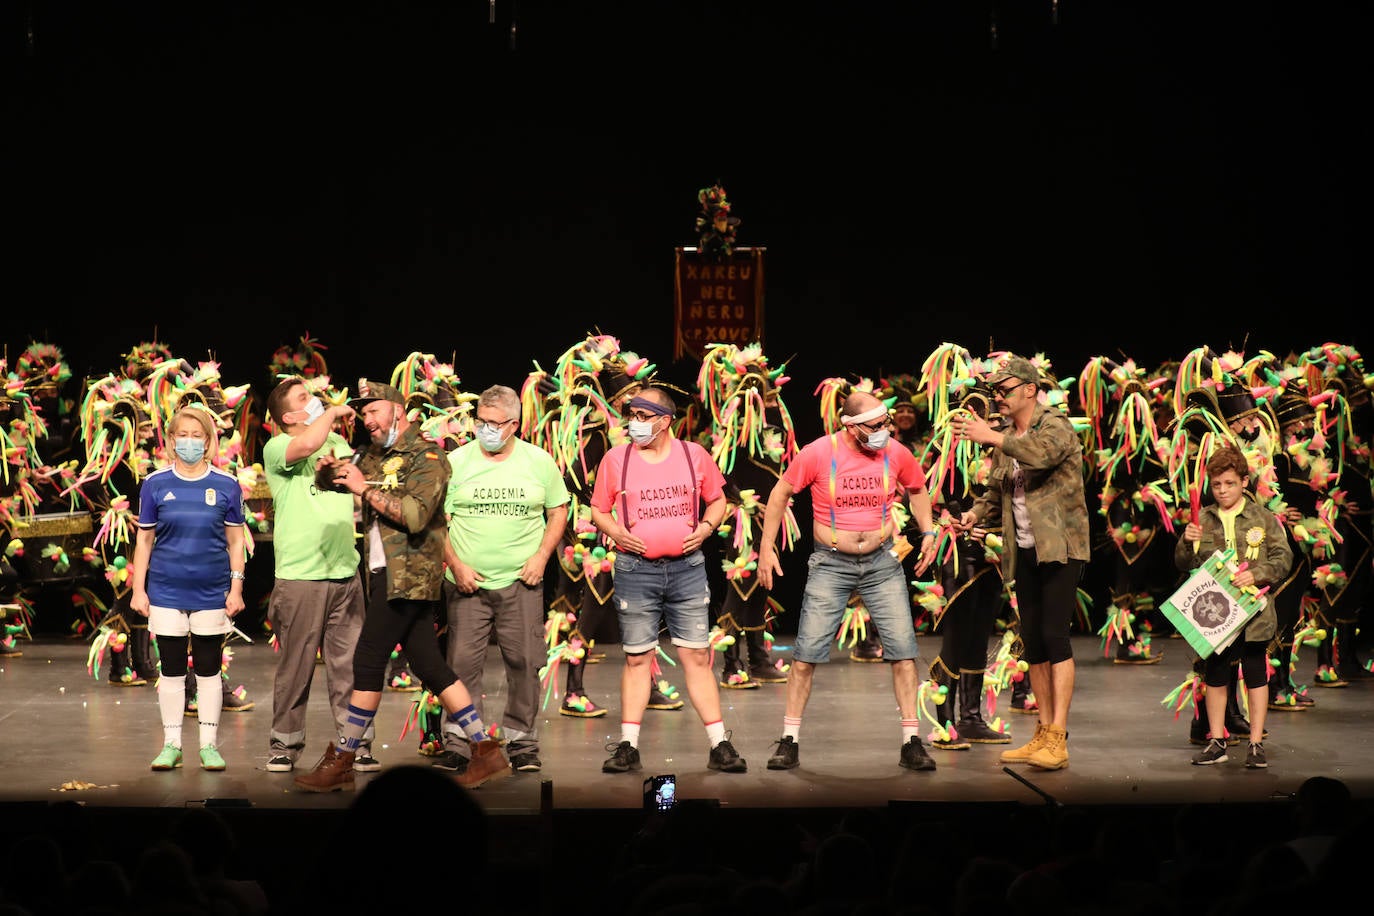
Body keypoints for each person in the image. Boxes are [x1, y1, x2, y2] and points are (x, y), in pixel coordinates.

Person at [293, 378, 509, 792]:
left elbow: (414, 516)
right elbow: (339, 481)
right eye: (364, 413)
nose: (367, 420)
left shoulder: (429, 457)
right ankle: (485, 750)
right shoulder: (374, 455)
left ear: (398, 410)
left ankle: (344, 758)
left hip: (409, 576)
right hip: (383, 574)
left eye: (374, 411)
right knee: (429, 665)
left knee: (368, 659)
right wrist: (327, 473)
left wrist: (363, 488)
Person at [757, 387, 940, 772]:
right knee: (806, 654)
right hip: (831, 562)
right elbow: (780, 494)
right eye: (875, 426)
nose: (884, 431)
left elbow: (918, 489)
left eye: (886, 423)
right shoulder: (819, 453)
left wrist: (928, 531)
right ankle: (789, 740)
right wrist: (767, 547)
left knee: (903, 651)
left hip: (882, 562)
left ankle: (911, 742)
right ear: (851, 426)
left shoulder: (896, 453)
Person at [590, 385, 747, 774]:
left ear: (664, 421)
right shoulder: (616, 459)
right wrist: (617, 532)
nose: (634, 423)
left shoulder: (694, 456)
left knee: (696, 656)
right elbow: (598, 509)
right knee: (637, 658)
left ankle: (719, 744)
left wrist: (707, 528)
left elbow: (718, 499)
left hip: (686, 569)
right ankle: (628, 746)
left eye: (642, 417)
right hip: (635, 570)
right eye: (632, 416)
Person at [951, 354, 1090, 771]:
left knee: (1054, 637)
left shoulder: (1055, 426)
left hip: (1060, 548)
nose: (998, 397)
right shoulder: (1007, 436)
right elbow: (997, 493)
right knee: (1034, 642)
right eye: (995, 391)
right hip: (1024, 549)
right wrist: (975, 515)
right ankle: (1043, 732)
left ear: (1030, 390)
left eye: (1004, 390)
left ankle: (1059, 737)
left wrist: (992, 437)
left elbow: (1041, 456)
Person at [434, 384, 569, 775]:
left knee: (525, 663)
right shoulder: (456, 461)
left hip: (521, 583)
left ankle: (522, 743)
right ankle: (461, 743)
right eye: (481, 421)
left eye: (495, 423)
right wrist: (456, 565)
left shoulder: (538, 461)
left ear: (514, 424)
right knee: (461, 665)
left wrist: (541, 557)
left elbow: (558, 511)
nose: (486, 429)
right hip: (467, 584)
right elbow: (436, 520)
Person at [260, 376, 377, 774]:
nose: (314, 401)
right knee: (296, 666)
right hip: (301, 577)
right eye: (304, 398)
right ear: (289, 416)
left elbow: (351, 482)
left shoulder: (337, 442)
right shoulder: (278, 447)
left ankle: (355, 744)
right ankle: (285, 743)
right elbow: (307, 445)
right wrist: (332, 412)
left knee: (350, 667)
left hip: (344, 572)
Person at [129, 405, 247, 772]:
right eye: (183, 435)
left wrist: (236, 589)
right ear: (170, 440)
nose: (190, 442)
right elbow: (144, 540)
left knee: (209, 670)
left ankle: (209, 746)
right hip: (166, 590)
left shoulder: (226, 485)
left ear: (209, 441)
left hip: (212, 591)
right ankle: (172, 745)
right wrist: (138, 589)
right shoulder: (155, 484)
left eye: (197, 436)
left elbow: (236, 542)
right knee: (172, 670)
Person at [1176, 444, 1291, 768]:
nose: (1223, 490)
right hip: (1217, 613)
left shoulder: (1262, 518)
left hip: (1253, 612)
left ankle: (1255, 743)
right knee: (1215, 673)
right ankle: (1217, 740)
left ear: (1243, 482)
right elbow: (1183, 563)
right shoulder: (1203, 519)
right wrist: (1186, 541)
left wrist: (1257, 573)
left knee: (1255, 672)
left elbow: (1283, 558)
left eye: (1229, 483)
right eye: (1216, 485)